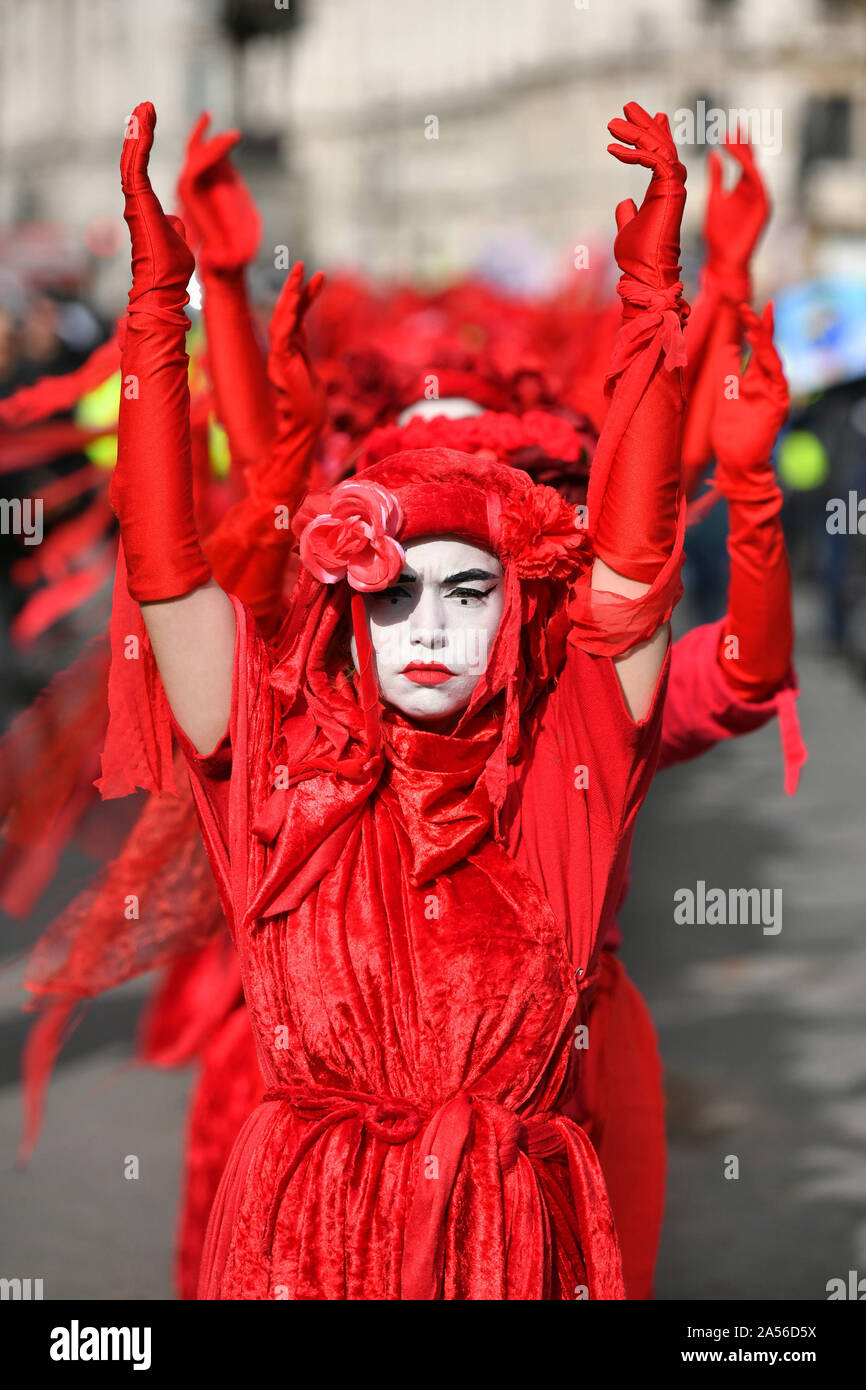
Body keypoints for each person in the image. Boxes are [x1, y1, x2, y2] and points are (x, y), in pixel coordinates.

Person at [99, 98, 687, 1299]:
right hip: (301, 1241)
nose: (423, 624)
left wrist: (655, 306)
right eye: (388, 597)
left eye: (465, 592)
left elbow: (630, 579)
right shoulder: (270, 768)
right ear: (345, 621)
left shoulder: (563, 780)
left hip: (507, 1244)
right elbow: (167, 569)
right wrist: (164, 308)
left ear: (517, 612)